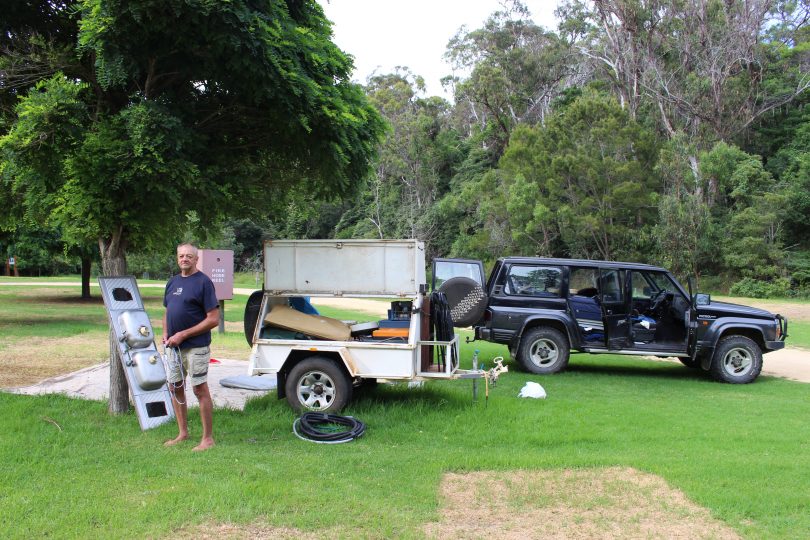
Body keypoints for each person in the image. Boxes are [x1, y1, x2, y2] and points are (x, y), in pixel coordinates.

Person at [162, 243, 219, 451]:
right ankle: (182, 433)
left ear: (196, 259)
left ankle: (207, 439)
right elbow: (167, 312)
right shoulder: (172, 282)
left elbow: (213, 319)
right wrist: (165, 333)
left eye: (189, 256)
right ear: (177, 258)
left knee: (198, 389)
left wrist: (183, 334)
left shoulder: (204, 283)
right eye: (181, 256)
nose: (184, 259)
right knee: (175, 387)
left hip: (196, 346)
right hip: (173, 347)